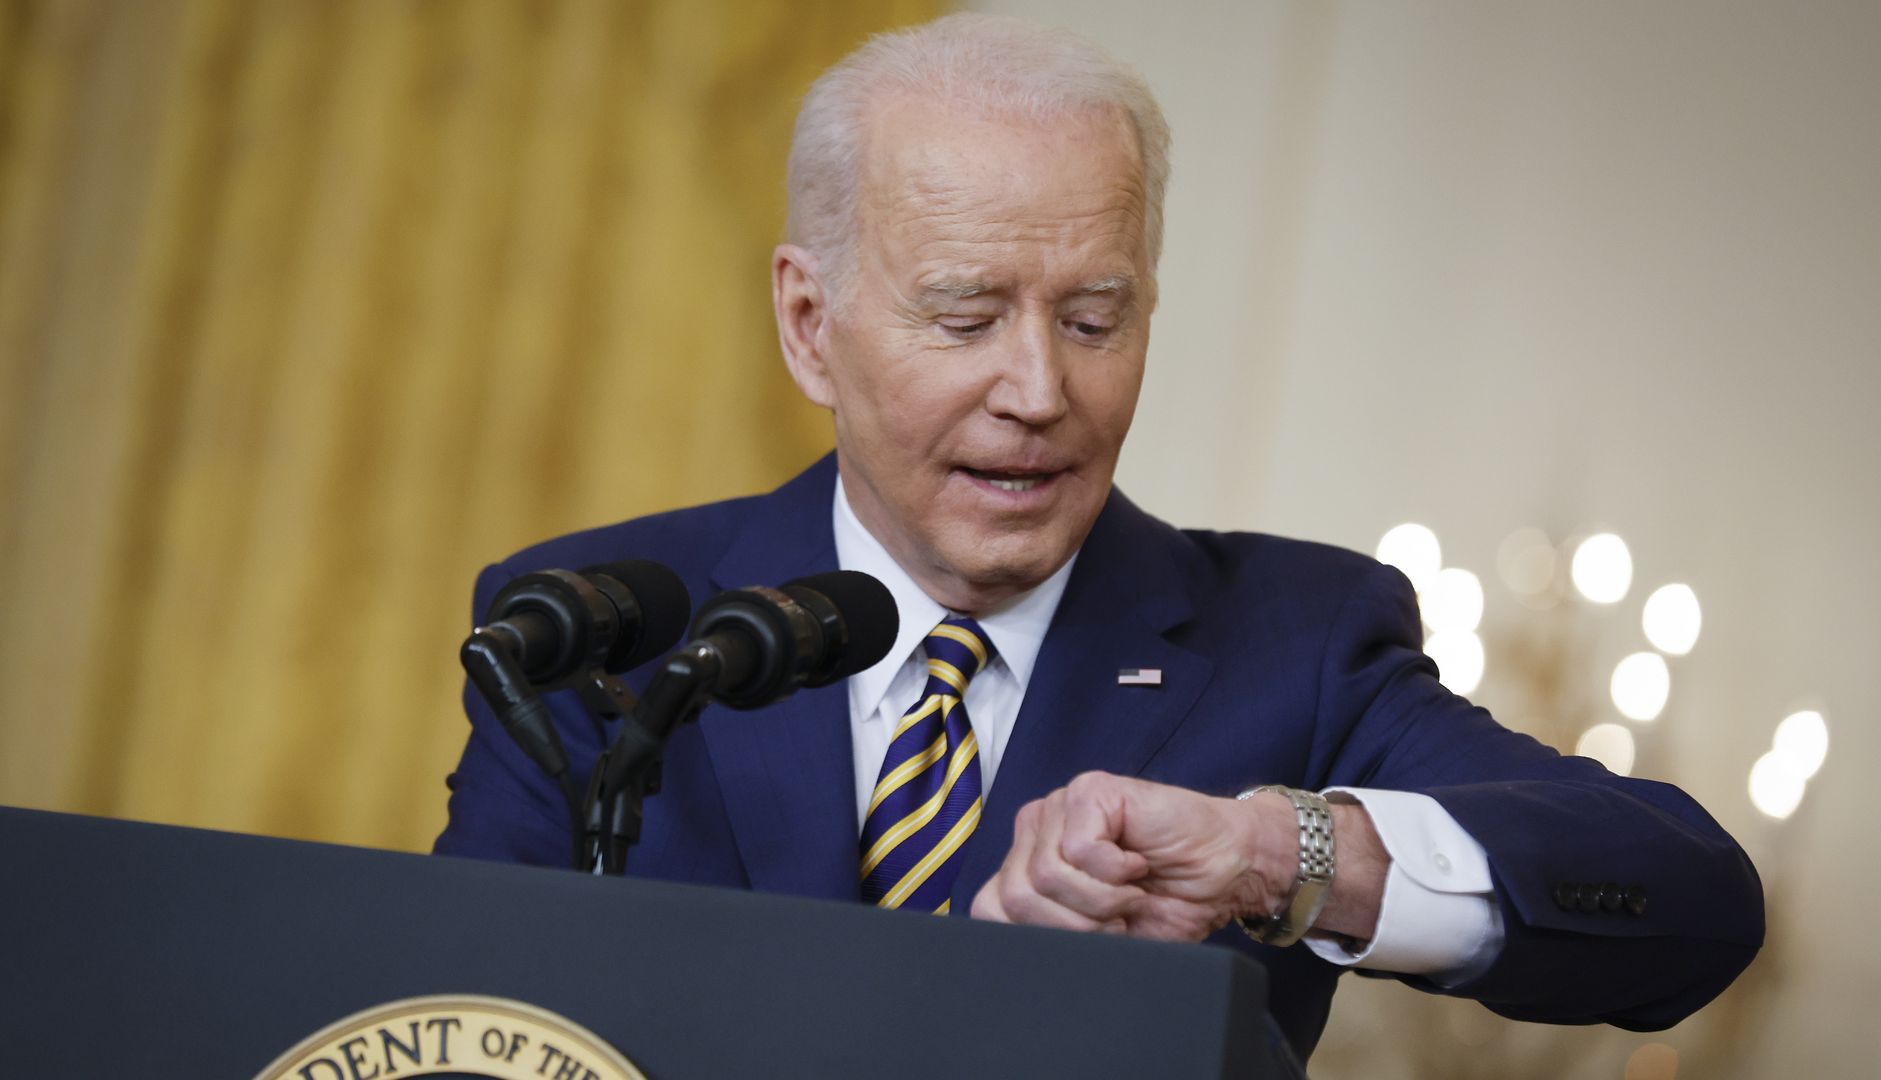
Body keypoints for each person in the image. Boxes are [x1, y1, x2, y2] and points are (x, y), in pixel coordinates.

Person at [434, 14, 1763, 1061]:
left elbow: (1687, 898)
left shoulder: (1290, 647)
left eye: (1093, 320)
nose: (1038, 392)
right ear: (806, 322)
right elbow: (448, 1019)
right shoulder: (604, 634)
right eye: (964, 318)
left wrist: (1280, 856)